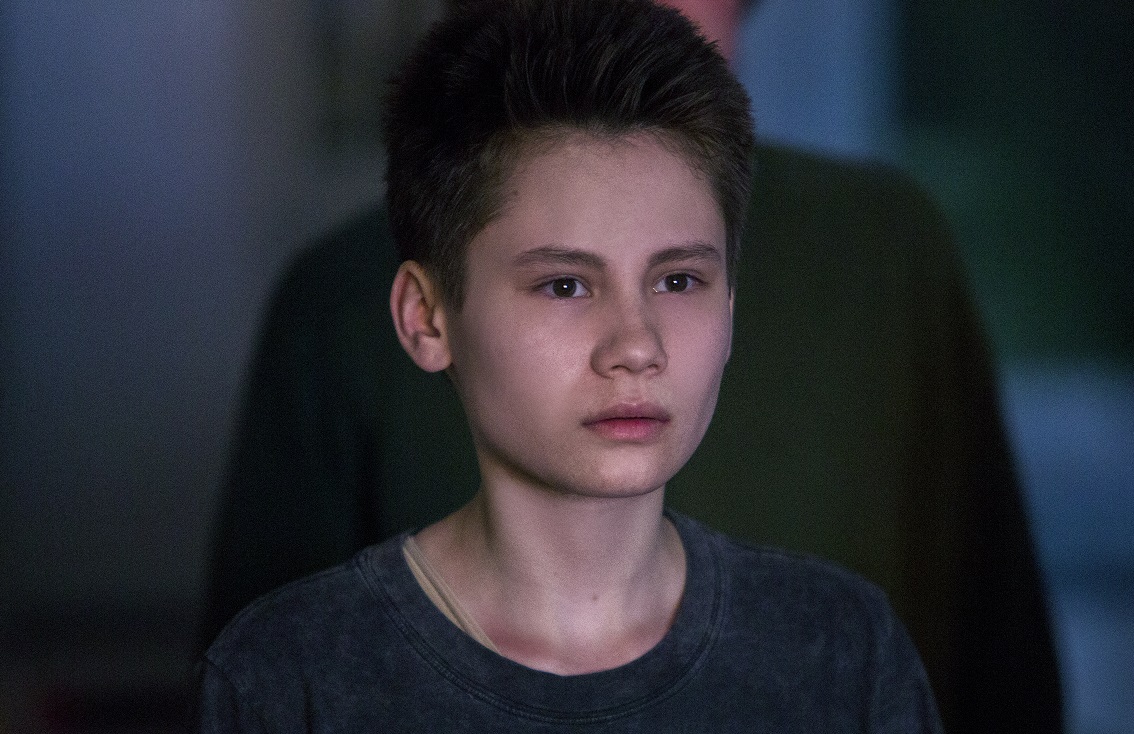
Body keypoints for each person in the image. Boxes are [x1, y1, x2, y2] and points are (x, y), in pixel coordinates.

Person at [201, 1, 1063, 732]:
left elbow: (1003, 646)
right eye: (565, 284)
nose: (637, 345)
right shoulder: (290, 672)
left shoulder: (845, 650)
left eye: (679, 280)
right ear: (425, 318)